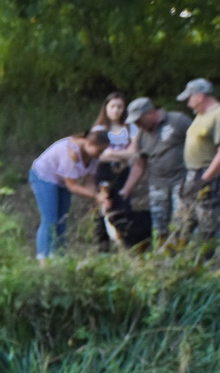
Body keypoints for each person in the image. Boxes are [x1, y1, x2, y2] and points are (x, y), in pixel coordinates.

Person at [173, 78, 220, 256]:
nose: (188, 103)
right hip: (192, 175)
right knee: (183, 222)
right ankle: (178, 263)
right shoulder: (201, 115)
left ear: (199, 96)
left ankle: (210, 267)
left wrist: (205, 179)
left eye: (190, 98)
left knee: (208, 227)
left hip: (208, 177)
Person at [118, 97, 191, 242]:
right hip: (157, 184)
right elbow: (140, 164)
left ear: (150, 113)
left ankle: (183, 255)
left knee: (182, 224)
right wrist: (126, 189)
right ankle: (162, 255)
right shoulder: (142, 135)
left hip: (181, 181)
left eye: (139, 120)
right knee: (158, 227)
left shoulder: (178, 120)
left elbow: (198, 143)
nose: (137, 124)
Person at [27, 128, 107, 260]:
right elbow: (72, 185)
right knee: (50, 219)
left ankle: (59, 256)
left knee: (62, 219)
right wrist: (95, 195)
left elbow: (90, 182)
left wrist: (98, 195)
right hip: (44, 177)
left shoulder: (94, 156)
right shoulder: (71, 152)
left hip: (61, 181)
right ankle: (43, 258)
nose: (101, 155)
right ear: (88, 143)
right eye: (99, 151)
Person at [89, 92, 138, 249]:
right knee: (105, 205)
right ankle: (103, 245)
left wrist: (113, 153)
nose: (116, 110)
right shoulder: (99, 129)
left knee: (124, 205)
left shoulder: (131, 128)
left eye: (120, 107)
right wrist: (121, 155)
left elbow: (134, 152)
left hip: (124, 172)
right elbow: (100, 155)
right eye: (113, 106)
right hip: (104, 172)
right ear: (106, 108)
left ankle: (125, 243)